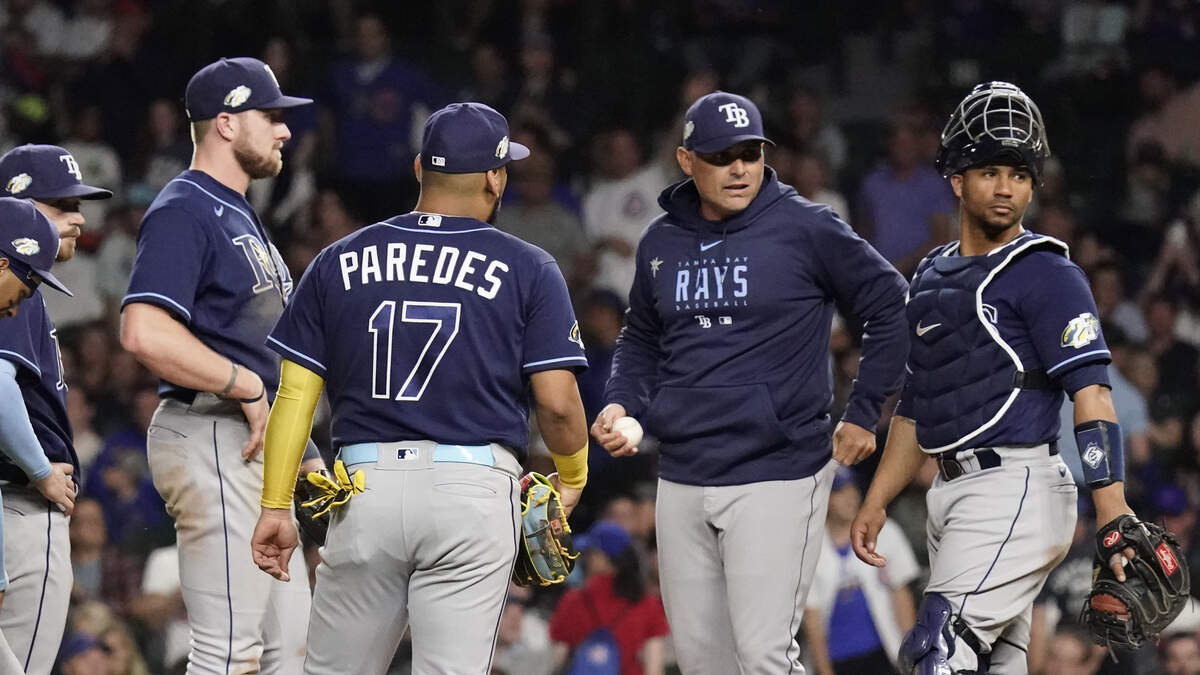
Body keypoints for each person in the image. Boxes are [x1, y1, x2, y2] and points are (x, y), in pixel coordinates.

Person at [249, 102, 590, 674]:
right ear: (495, 177)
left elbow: (293, 398)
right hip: (472, 489)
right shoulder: (528, 266)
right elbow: (557, 404)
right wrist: (573, 476)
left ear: (418, 169)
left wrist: (275, 504)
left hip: (365, 489)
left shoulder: (338, 259)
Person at [591, 91, 909, 674]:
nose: (739, 168)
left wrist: (865, 410)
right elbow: (640, 337)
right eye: (721, 156)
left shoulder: (807, 226)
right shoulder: (661, 240)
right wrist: (620, 402)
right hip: (682, 472)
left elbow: (892, 304)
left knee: (763, 656)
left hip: (778, 471)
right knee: (702, 662)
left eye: (750, 154)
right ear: (686, 161)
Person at [851, 81, 1141, 674]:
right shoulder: (930, 274)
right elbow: (917, 403)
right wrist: (876, 500)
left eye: (1020, 173)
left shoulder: (1048, 273)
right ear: (957, 179)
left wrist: (1111, 506)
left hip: (1016, 486)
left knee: (935, 649)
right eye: (990, 171)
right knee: (993, 665)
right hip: (951, 493)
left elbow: (1092, 395)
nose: (1007, 187)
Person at [119, 56, 321, 674]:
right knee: (229, 653)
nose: (285, 130)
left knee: (293, 656)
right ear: (227, 123)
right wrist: (245, 386)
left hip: (253, 444)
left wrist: (304, 451)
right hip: (212, 430)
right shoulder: (185, 206)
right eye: (271, 116)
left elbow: (258, 343)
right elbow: (143, 329)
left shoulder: (236, 210)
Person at [0, 145, 112, 675]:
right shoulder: (12, 282)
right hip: (20, 504)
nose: (78, 219)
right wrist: (41, 470)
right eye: (62, 204)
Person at [0, 197, 77, 674]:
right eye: (26, 283)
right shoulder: (8, 303)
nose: (23, 299)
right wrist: (41, 470)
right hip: (22, 502)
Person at [804, 467, 918, 675]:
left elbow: (901, 596)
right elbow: (812, 618)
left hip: (884, 654)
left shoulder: (886, 532)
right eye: (840, 492)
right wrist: (824, 671)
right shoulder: (809, 548)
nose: (849, 497)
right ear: (825, 499)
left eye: (851, 488)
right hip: (839, 661)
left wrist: (913, 657)